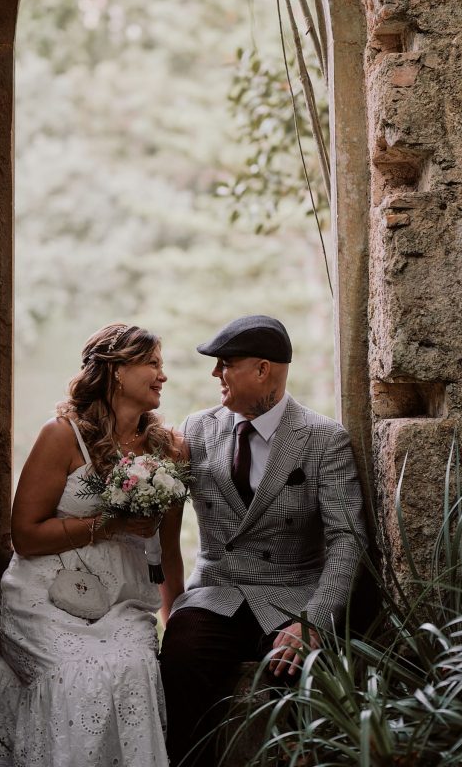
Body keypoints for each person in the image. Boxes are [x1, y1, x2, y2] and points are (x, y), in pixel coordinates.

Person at [159, 315, 367, 767]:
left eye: (225, 363)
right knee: (179, 660)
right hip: (215, 592)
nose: (216, 374)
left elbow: (347, 541)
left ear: (262, 369)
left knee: (295, 676)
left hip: (291, 596)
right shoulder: (195, 429)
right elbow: (162, 520)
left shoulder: (323, 439)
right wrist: (170, 605)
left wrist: (314, 621)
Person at [0, 322, 185, 767]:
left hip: (123, 602)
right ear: (115, 371)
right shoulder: (62, 435)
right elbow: (26, 536)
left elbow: (167, 552)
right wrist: (107, 526)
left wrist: (177, 621)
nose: (162, 375)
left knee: (132, 670)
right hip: (45, 593)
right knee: (78, 678)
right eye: (151, 363)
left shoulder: (168, 451)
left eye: (161, 365)